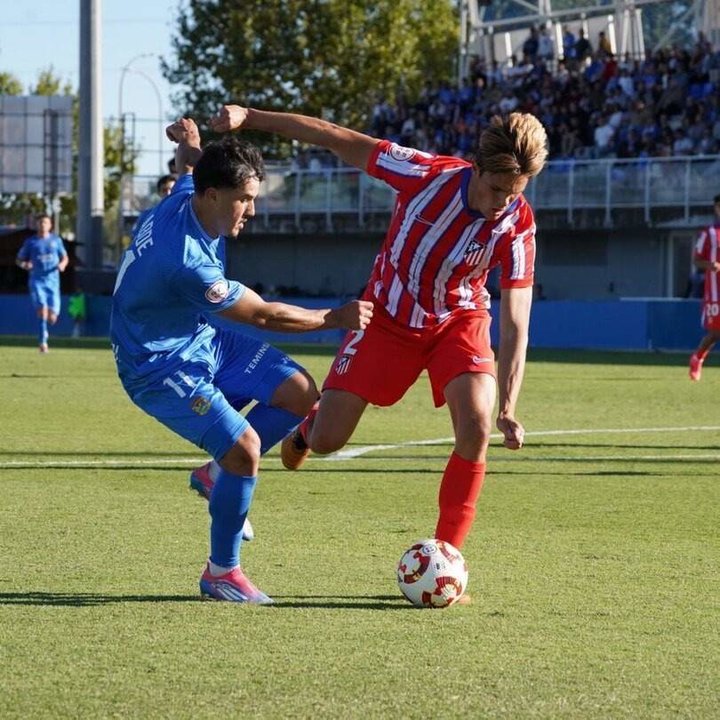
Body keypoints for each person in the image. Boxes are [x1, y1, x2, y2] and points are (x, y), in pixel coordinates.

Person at [209, 105, 548, 600]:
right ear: (475, 167)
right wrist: (251, 117)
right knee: (328, 439)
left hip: (458, 320)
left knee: (476, 424)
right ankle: (306, 431)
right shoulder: (424, 175)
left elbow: (517, 314)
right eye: (496, 188)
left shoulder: (517, 223)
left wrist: (511, 405)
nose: (502, 202)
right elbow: (333, 136)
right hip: (384, 317)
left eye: (514, 192)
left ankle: (447, 563)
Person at [110, 117, 372, 603]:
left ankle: (215, 476)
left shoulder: (189, 195)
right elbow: (265, 316)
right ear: (212, 196)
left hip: (197, 338)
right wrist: (334, 317)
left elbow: (191, 167)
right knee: (246, 449)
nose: (252, 210)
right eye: (243, 200)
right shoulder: (187, 262)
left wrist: (191, 144)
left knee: (299, 393)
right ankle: (221, 573)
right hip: (159, 367)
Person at [16, 213, 69, 352]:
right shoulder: (31, 242)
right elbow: (19, 259)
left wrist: (62, 264)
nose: (42, 225)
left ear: (50, 225)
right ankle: (43, 342)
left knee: (52, 318)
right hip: (37, 280)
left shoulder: (56, 241)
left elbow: (65, 257)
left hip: (53, 282)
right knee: (42, 310)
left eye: (45, 222)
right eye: (40, 222)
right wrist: (24, 265)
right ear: (36, 225)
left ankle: (45, 331)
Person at [689, 193, 720, 381]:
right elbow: (696, 260)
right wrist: (711, 266)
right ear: (716, 208)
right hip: (716, 290)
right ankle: (697, 358)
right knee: (716, 332)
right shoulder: (708, 233)